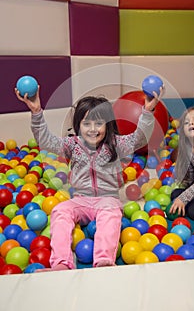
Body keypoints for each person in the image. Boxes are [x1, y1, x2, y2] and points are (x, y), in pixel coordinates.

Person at [15, 85, 162, 271]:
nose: (92, 129)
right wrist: (36, 112)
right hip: (81, 199)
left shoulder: (116, 144)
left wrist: (148, 111)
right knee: (60, 210)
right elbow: (46, 141)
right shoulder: (73, 145)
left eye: (98, 123)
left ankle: (103, 261)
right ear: (78, 126)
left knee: (110, 215)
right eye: (86, 123)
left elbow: (139, 138)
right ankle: (61, 263)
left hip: (108, 199)